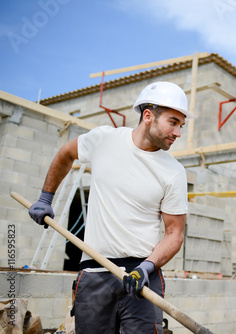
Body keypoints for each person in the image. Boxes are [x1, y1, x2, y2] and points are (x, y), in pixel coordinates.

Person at [28, 81, 195, 333]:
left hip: (141, 277)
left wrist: (146, 268)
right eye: (173, 122)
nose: (178, 132)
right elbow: (66, 153)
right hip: (94, 272)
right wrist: (45, 198)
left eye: (181, 125)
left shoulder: (173, 172)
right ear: (148, 116)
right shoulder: (104, 139)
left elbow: (175, 234)